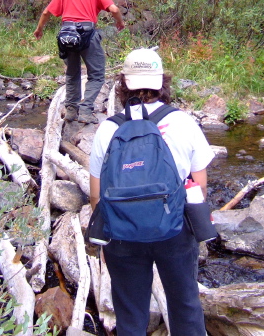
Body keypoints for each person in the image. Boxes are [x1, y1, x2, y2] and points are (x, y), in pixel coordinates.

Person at [89, 48, 214, 336]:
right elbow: (200, 185)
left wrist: (106, 239)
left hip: (121, 233)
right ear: (162, 83)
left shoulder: (108, 129)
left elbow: (96, 196)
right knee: (185, 304)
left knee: (130, 314)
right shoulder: (184, 122)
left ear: (123, 84)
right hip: (176, 229)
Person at [33, 0, 125, 123]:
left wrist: (39, 29)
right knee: (96, 75)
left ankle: (71, 110)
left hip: (66, 35)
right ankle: (86, 111)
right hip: (88, 34)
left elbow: (47, 12)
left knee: (72, 74)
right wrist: (120, 22)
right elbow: (114, 9)